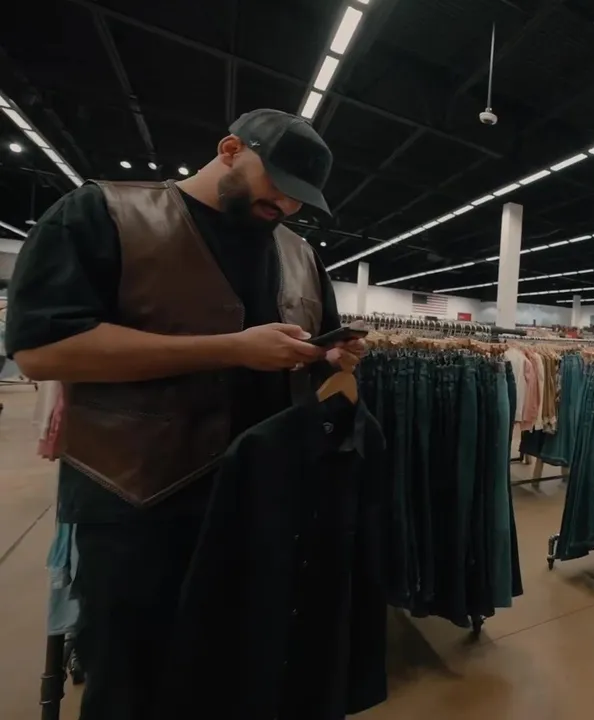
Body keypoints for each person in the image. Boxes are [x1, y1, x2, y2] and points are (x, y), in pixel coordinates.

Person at [3, 108, 364, 719]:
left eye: (301, 199)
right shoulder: (104, 213)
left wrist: (329, 357)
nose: (286, 205)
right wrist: (230, 349)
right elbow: (42, 351)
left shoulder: (300, 254)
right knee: (135, 686)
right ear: (230, 149)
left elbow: (311, 353)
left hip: (260, 505)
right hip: (138, 508)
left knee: (241, 677)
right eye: (278, 185)